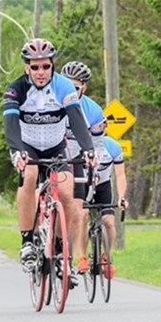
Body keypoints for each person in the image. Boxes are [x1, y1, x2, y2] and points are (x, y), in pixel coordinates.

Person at [2, 38, 97, 286]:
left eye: (45, 66)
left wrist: (88, 149)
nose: (41, 72)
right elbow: (11, 124)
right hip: (29, 146)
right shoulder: (16, 89)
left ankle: (56, 249)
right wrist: (16, 151)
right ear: (26, 68)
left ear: (52, 65)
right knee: (30, 178)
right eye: (35, 67)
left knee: (66, 194)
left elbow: (76, 118)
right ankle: (26, 242)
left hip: (56, 147)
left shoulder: (64, 87)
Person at [60, 60, 106, 273]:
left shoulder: (93, 110)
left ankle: (75, 257)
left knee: (78, 212)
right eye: (66, 85)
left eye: (75, 88)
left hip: (78, 159)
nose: (70, 91)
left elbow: (97, 145)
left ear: (84, 88)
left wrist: (94, 171)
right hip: (55, 158)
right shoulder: (52, 103)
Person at [83, 119, 128, 279]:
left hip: (103, 185)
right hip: (84, 185)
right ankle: (82, 257)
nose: (97, 129)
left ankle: (106, 256)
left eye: (101, 126)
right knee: (83, 216)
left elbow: (120, 174)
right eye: (94, 126)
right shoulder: (81, 144)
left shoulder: (112, 146)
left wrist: (122, 197)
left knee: (108, 221)